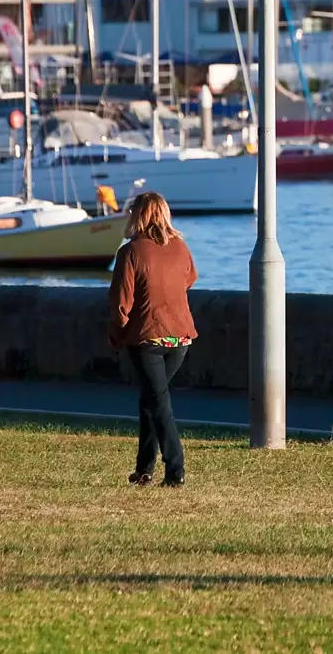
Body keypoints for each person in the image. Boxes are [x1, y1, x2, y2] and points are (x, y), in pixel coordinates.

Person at [108, 191, 198, 487]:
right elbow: (189, 279)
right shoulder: (180, 247)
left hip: (147, 337)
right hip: (181, 338)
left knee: (159, 403)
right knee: (151, 399)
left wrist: (117, 335)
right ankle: (144, 469)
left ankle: (176, 470)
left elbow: (122, 302)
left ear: (139, 215)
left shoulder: (131, 252)